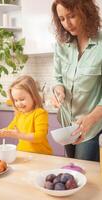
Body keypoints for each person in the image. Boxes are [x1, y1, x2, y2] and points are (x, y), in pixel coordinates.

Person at [51, 0, 102, 161]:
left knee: (86, 174)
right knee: (73, 171)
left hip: (90, 125)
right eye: (62, 19)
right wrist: (58, 90)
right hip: (66, 123)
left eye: (71, 16)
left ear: (85, 12)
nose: (67, 23)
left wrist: (91, 119)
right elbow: (57, 77)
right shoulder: (61, 45)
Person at [0, 75, 52, 155]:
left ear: (33, 96)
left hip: (41, 155)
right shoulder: (19, 114)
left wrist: (19, 135)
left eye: (22, 99)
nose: (18, 103)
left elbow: (39, 137)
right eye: (16, 100)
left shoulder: (40, 113)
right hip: (22, 153)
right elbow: (9, 130)